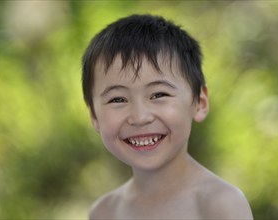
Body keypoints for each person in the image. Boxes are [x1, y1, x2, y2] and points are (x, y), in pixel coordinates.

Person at [82, 14, 253, 219]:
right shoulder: (104, 212)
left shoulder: (220, 204)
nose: (140, 117)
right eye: (118, 100)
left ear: (199, 103)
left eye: (159, 95)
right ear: (94, 115)